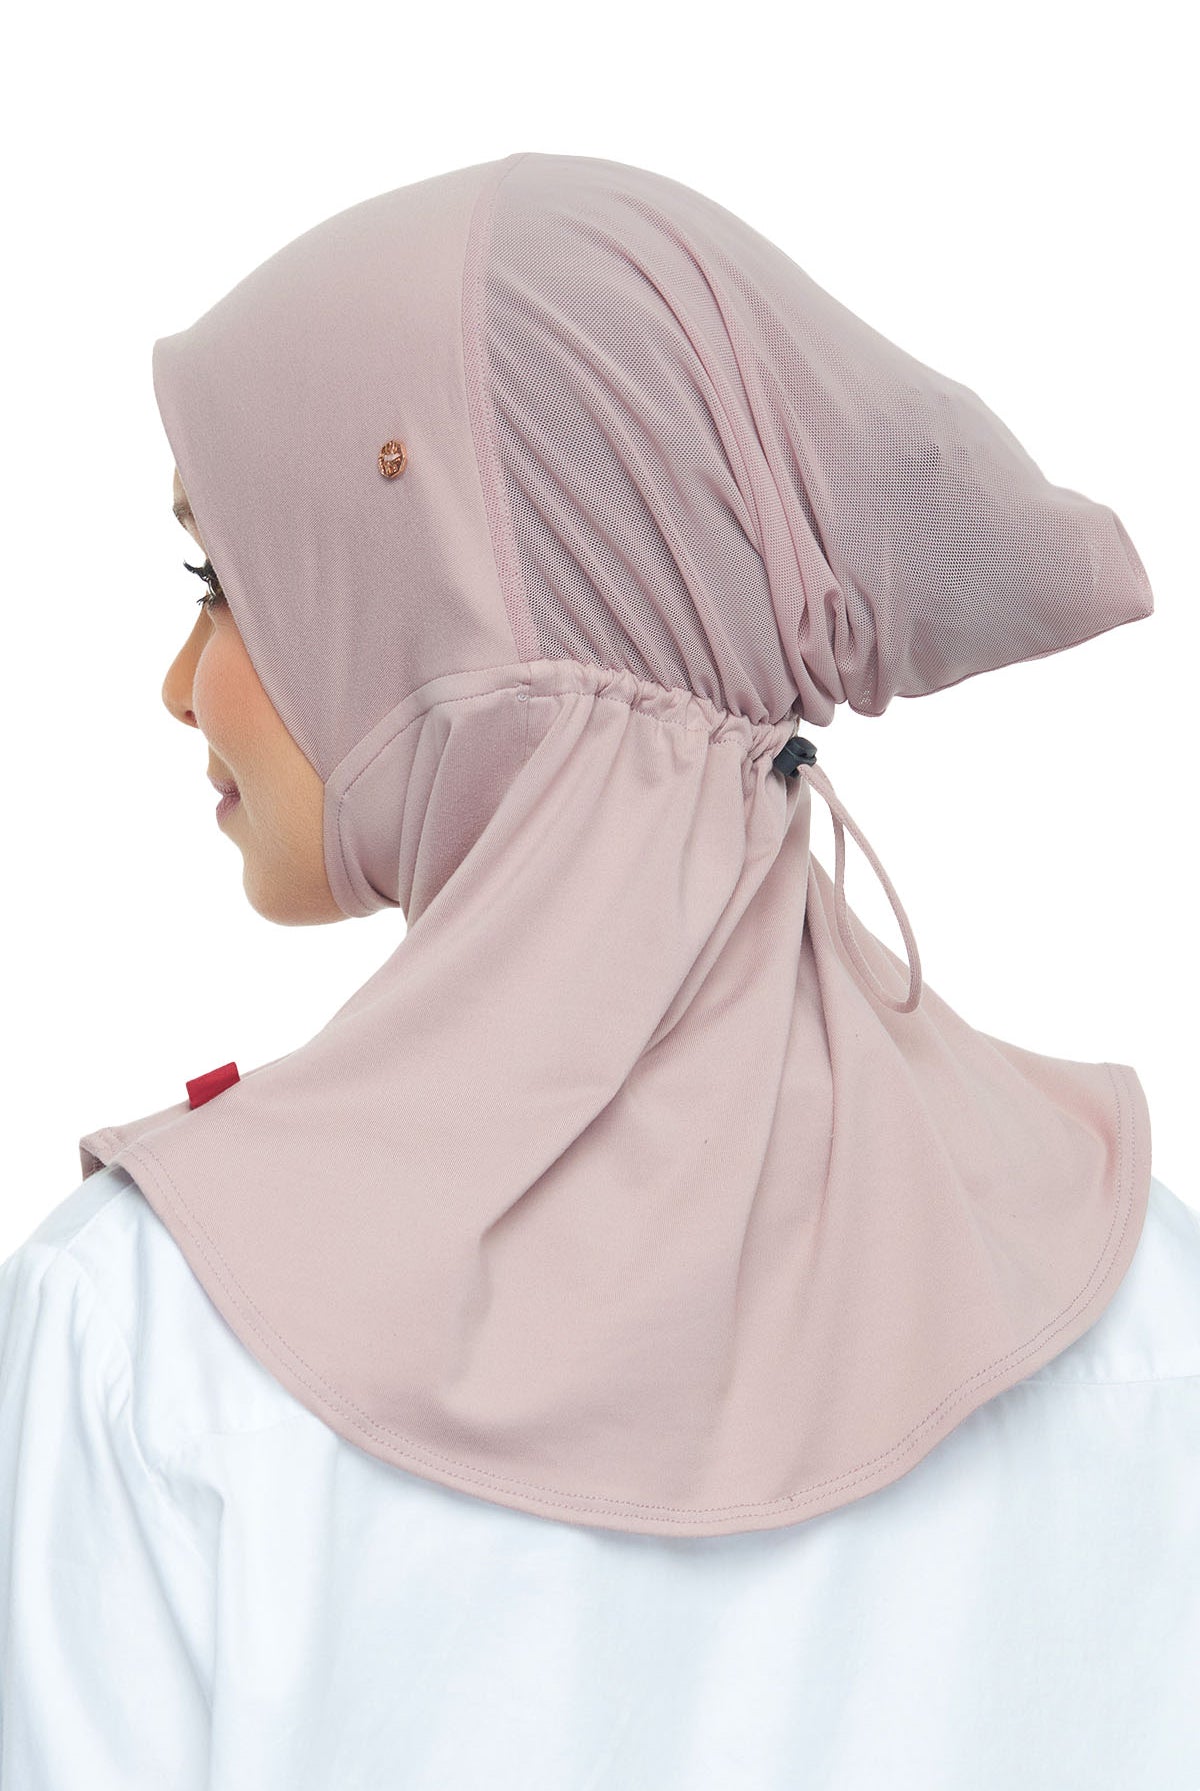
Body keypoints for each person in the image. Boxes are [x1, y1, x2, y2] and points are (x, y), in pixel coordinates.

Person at [1, 150, 1197, 1789]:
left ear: (433, 598)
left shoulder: (147, 1331)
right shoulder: (1138, 1298)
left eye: (230, 581)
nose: (176, 682)